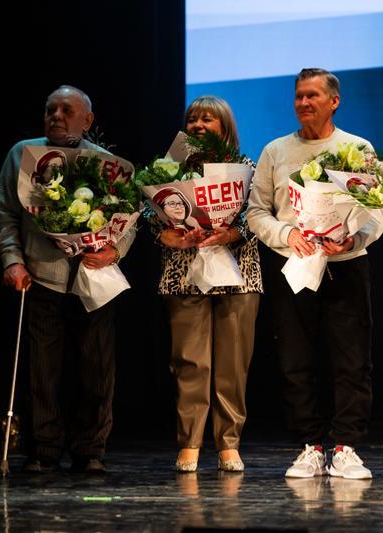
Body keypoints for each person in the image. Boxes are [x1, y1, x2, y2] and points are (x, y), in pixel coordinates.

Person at [247, 68, 383, 480]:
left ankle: (345, 448)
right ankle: (309, 446)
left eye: (313, 95)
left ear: (334, 101)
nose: (304, 103)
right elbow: (256, 211)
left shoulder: (358, 149)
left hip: (346, 266)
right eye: (299, 96)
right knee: (295, 359)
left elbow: (378, 211)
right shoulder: (275, 151)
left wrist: (354, 239)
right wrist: (288, 234)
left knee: (352, 360)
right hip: (294, 266)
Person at [0, 85, 133, 473]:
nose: (56, 116)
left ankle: (90, 449)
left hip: (93, 278)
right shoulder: (22, 154)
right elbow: (5, 214)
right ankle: (43, 449)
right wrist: (12, 261)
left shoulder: (107, 162)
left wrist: (114, 252)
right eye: (50, 110)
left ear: (87, 120)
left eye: (66, 111)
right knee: (42, 371)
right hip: (41, 276)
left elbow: (128, 220)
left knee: (97, 370)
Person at [145, 95, 262, 473]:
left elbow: (259, 214)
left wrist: (232, 232)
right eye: (192, 119)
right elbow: (147, 212)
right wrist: (164, 234)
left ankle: (229, 443)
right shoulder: (170, 168)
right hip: (184, 272)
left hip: (238, 273)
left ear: (224, 126)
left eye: (207, 119)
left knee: (232, 365)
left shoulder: (246, 167)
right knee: (190, 362)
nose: (197, 125)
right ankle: (190, 442)